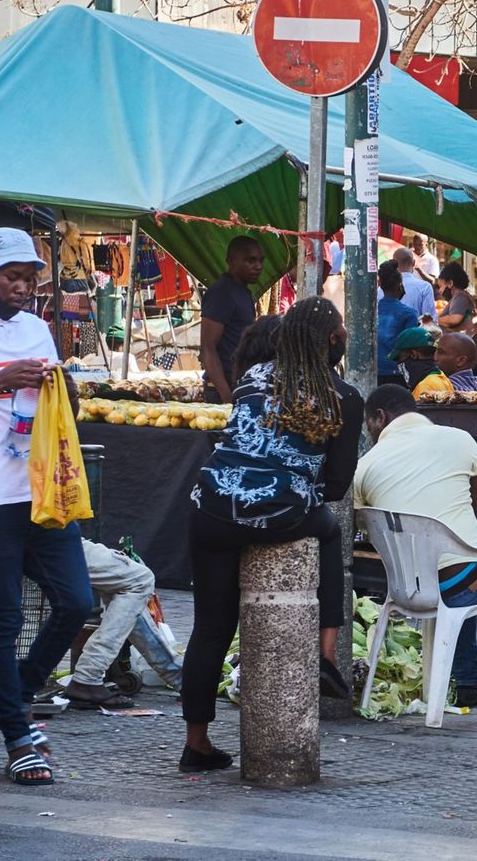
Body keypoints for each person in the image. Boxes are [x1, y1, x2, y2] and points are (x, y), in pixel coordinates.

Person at [182, 297, 363, 774]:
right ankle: (326, 652)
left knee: (209, 631)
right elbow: (338, 486)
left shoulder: (252, 377)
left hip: (211, 506)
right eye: (340, 330)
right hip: (281, 512)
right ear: (331, 341)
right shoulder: (342, 395)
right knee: (327, 533)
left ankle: (195, 744)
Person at [0, 227, 96, 785]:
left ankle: (16, 694)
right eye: (12, 276)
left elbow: (60, 406)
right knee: (2, 617)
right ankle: (18, 738)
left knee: (77, 601)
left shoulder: (37, 329)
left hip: (42, 490)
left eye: (29, 277)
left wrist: (64, 387)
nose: (23, 286)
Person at [354, 385, 477, 709]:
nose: (370, 434)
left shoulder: (364, 467)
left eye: (369, 426)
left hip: (406, 588)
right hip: (461, 581)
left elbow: (366, 529)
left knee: (460, 561)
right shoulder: (458, 439)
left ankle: (468, 681)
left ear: (380, 417)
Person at [63, 539, 185, 709]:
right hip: (48, 535)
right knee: (139, 579)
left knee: (128, 583)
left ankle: (181, 678)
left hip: (42, 534)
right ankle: (88, 676)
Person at [200, 235, 264, 402]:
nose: (258, 266)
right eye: (250, 261)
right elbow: (208, 348)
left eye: (260, 261)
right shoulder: (221, 294)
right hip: (222, 389)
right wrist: (226, 396)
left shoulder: (244, 292)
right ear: (231, 261)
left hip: (238, 383)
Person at [376, 262, 419, 389]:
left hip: (373, 372)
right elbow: (410, 347)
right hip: (397, 375)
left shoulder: (369, 312)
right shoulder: (409, 314)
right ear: (400, 286)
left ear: (380, 285)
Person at [411, 332, 477, 399]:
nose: (434, 357)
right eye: (435, 351)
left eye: (441, 353)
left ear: (461, 360)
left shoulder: (441, 388)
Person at [392, 248, 437, 324]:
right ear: (413, 263)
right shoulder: (425, 287)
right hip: (415, 335)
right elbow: (430, 322)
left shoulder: (382, 290)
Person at [389, 326, 438, 390]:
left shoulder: (423, 387)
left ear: (413, 354)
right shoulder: (440, 377)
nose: (399, 364)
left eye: (399, 358)